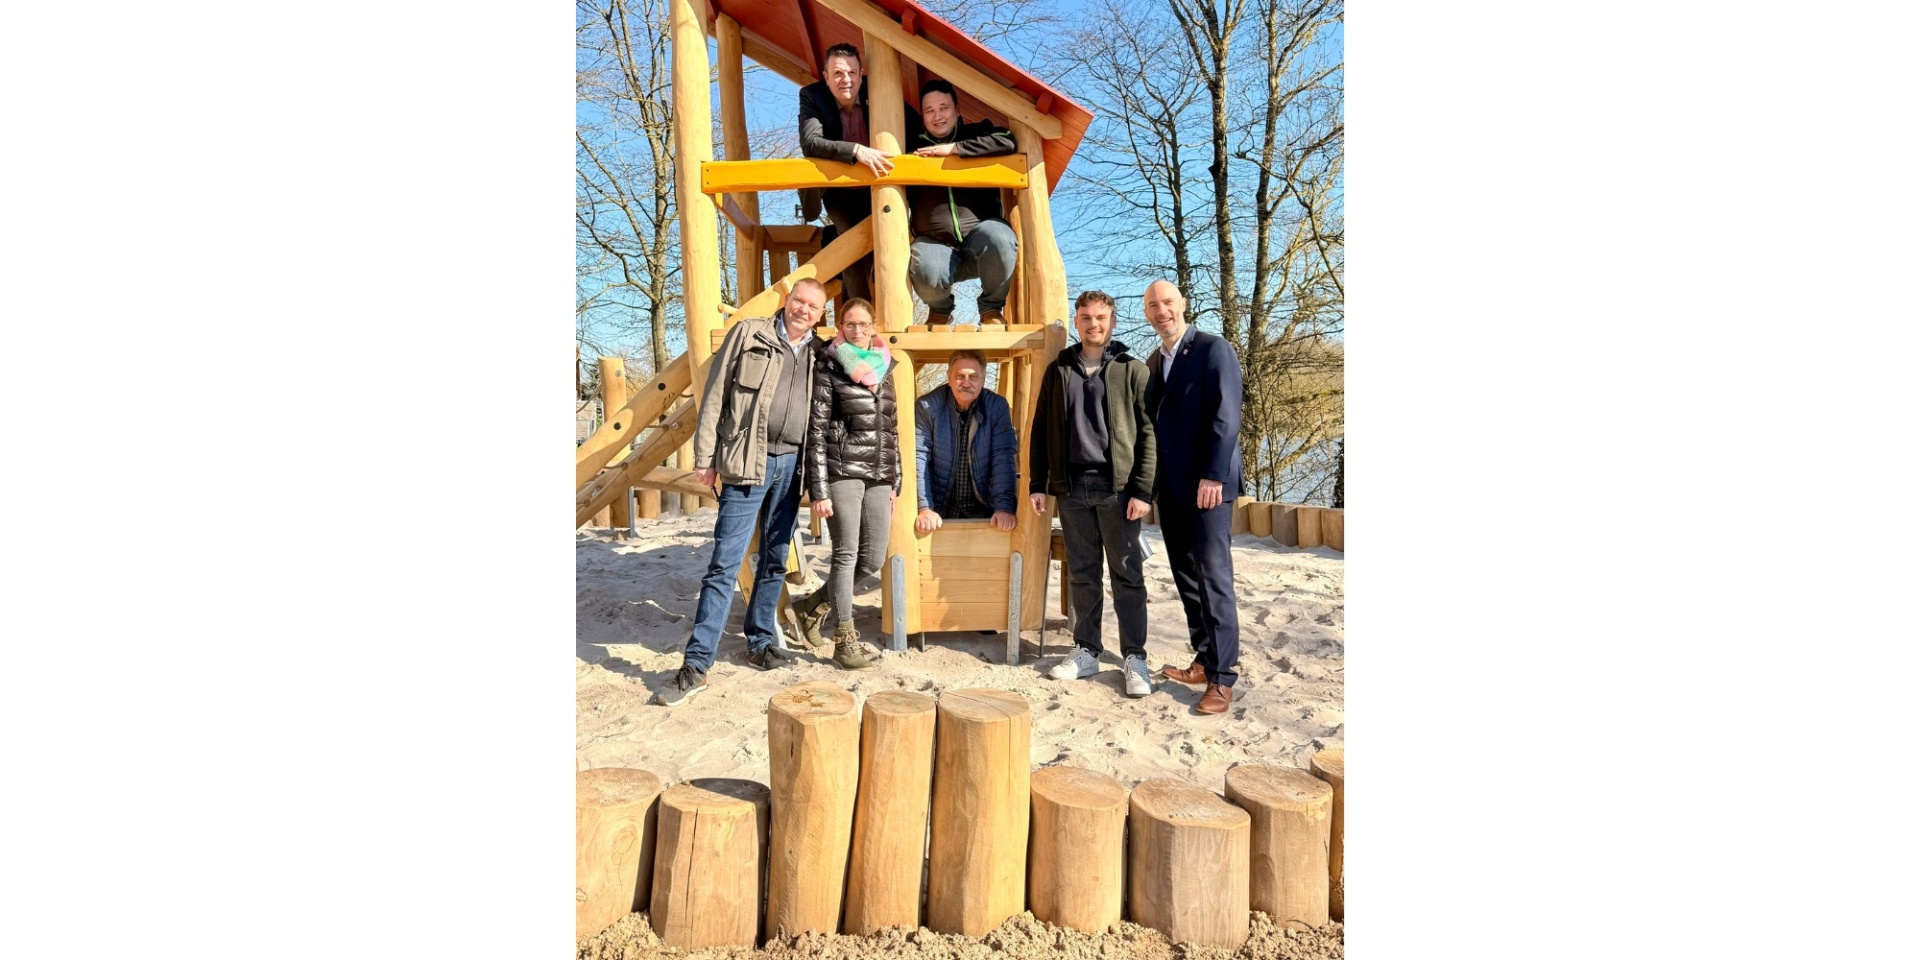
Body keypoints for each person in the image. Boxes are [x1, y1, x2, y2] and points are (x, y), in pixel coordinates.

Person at [656, 279, 827, 707]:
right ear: (787, 301)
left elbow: (869, 366)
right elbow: (715, 394)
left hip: (792, 467)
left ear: (821, 314)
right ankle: (696, 666)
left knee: (774, 560)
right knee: (723, 565)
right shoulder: (749, 333)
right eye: (799, 301)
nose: (804, 311)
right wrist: (704, 455)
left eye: (813, 307)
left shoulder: (820, 352)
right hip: (746, 462)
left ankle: (759, 643)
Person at [1028, 291, 1159, 697]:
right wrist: (1038, 482)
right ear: (1077, 321)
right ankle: (1086, 649)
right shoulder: (1059, 370)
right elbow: (1041, 428)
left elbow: (1150, 433)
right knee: (1083, 573)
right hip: (1072, 489)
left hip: (1118, 489)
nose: (1093, 324)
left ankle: (1135, 657)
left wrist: (1143, 490)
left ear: (1112, 321)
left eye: (1100, 317)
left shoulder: (1131, 369)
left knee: (1127, 574)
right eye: (1085, 317)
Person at [1141, 279, 1244, 716]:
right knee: (1186, 576)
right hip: (1173, 489)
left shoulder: (1212, 348)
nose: (1161, 310)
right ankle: (1203, 658)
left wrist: (1213, 476)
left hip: (1209, 488)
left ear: (1182, 304)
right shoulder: (1153, 361)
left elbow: (1226, 416)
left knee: (1214, 577)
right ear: (1146, 313)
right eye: (1153, 305)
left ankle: (1222, 678)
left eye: (1167, 302)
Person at [789, 298, 899, 669]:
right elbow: (816, 432)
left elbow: (891, 428)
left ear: (873, 327)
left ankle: (811, 605)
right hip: (843, 471)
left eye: (863, 324)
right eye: (849, 324)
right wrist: (819, 490)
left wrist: (894, 479)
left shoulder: (886, 366)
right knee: (846, 553)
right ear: (841, 328)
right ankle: (844, 639)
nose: (856, 330)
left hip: (879, 475)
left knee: (872, 558)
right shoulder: (829, 366)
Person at [904, 79, 1019, 325]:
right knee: (924, 267)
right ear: (922, 116)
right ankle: (940, 310)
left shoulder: (977, 133)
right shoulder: (912, 145)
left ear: (957, 110)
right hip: (935, 244)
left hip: (981, 241)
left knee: (1001, 237)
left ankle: (990, 310)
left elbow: (1008, 140)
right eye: (929, 111)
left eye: (944, 108)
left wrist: (955, 149)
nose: (938, 116)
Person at [799, 42, 893, 303]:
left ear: (861, 74)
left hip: (878, 187)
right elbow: (810, 143)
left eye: (852, 73)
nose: (846, 80)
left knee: (887, 240)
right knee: (850, 241)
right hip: (839, 190)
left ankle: (864, 312)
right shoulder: (812, 96)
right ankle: (863, 313)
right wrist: (855, 150)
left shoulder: (880, 91)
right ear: (826, 76)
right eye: (838, 73)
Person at [915, 349, 1018, 534]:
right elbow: (918, 456)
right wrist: (924, 507)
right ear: (949, 377)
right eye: (960, 376)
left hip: (983, 506)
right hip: (940, 506)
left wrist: (1004, 508)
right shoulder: (927, 407)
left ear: (983, 379)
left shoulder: (997, 407)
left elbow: (1003, 457)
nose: (966, 383)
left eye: (973, 377)